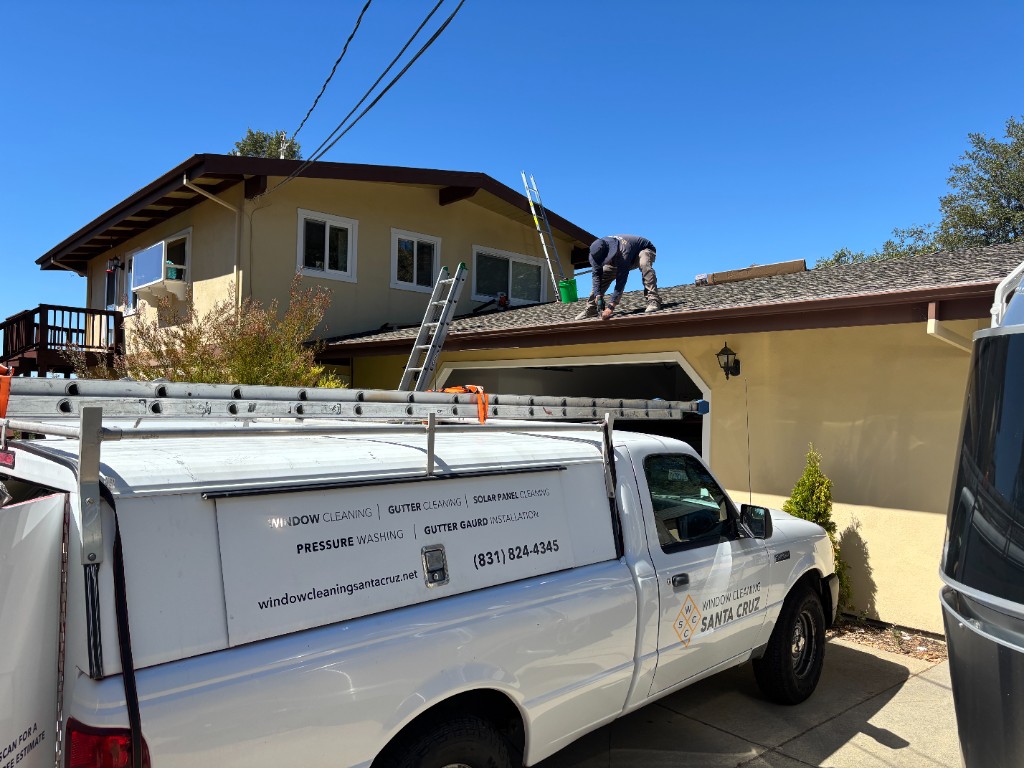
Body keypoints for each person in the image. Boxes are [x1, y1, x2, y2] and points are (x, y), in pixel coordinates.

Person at [575, 235, 661, 320]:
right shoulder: (596, 253)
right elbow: (596, 276)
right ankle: (591, 310)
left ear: (609, 253)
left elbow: (621, 281)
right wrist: (598, 294)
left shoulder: (623, 252)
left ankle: (653, 300)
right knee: (602, 278)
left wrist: (611, 307)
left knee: (644, 263)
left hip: (642, 251)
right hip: (617, 259)